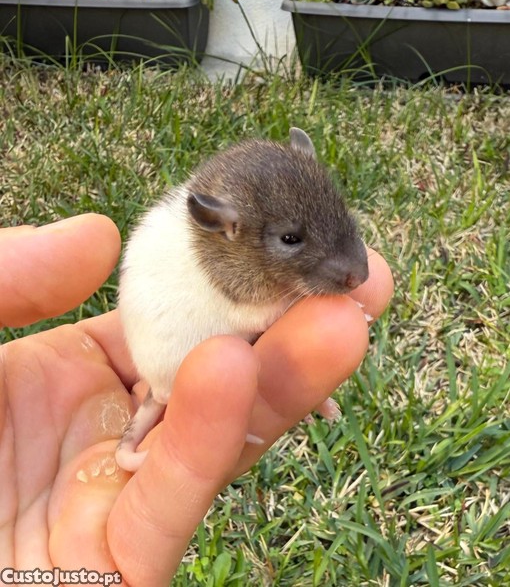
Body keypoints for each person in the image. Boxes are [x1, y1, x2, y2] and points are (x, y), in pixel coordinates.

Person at [0, 213, 393, 586]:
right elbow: (251, 311)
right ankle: (195, 402)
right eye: (292, 240)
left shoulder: (242, 251)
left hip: (199, 344)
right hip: (176, 351)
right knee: (233, 361)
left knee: (255, 358)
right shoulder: (226, 269)